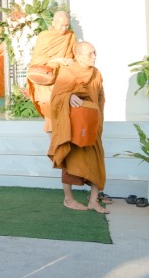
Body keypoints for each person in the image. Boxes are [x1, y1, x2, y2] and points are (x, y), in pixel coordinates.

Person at [47, 42, 109, 214]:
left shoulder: (96, 73)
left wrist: (97, 117)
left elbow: (101, 97)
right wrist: (68, 97)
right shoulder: (67, 72)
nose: (94, 56)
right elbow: (56, 98)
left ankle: (93, 201)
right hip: (73, 126)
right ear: (78, 55)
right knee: (70, 159)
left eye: (95, 53)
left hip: (92, 124)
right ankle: (68, 199)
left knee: (96, 160)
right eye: (90, 54)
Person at [27, 10, 76, 130]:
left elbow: (74, 55)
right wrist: (57, 60)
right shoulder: (44, 36)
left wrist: (69, 61)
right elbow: (36, 60)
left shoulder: (70, 35)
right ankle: (56, 140)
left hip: (63, 77)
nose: (64, 29)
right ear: (53, 23)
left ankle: (60, 140)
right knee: (50, 112)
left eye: (66, 25)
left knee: (63, 113)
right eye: (61, 25)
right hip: (46, 77)